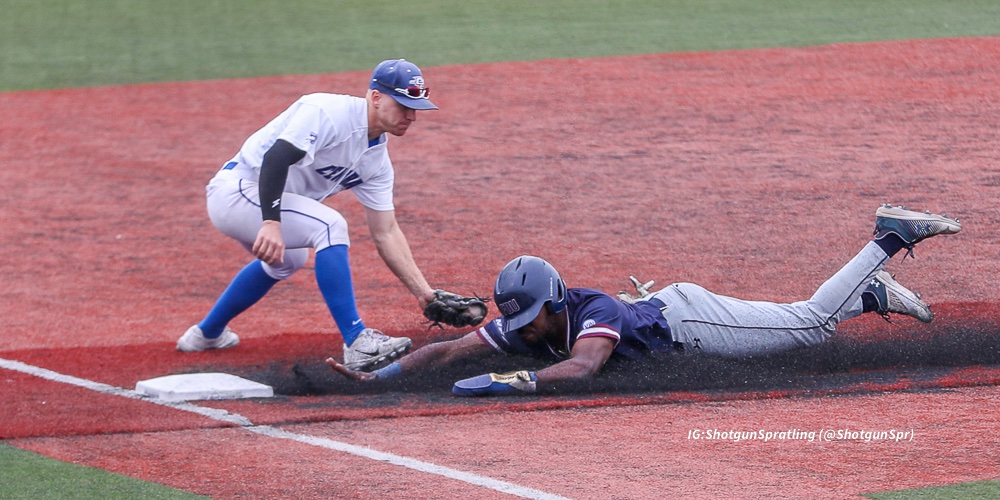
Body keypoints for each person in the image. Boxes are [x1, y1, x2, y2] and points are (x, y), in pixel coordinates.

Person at [328, 205, 961, 395]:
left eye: (532, 316)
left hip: (691, 321)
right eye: (518, 321)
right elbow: (447, 351)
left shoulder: (592, 312)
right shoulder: (530, 324)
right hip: (676, 316)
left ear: (552, 299)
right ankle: (869, 293)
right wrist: (380, 373)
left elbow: (580, 369)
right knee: (808, 323)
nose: (524, 328)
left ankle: (887, 237)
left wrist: (506, 380)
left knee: (811, 324)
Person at [178, 59, 447, 371]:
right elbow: (275, 159)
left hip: (260, 200)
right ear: (375, 97)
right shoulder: (326, 112)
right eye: (403, 105)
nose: (411, 116)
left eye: (415, 108)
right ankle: (357, 341)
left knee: (289, 261)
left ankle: (207, 334)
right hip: (237, 190)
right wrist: (270, 223)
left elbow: (386, 232)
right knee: (330, 225)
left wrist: (424, 293)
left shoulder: (377, 162)